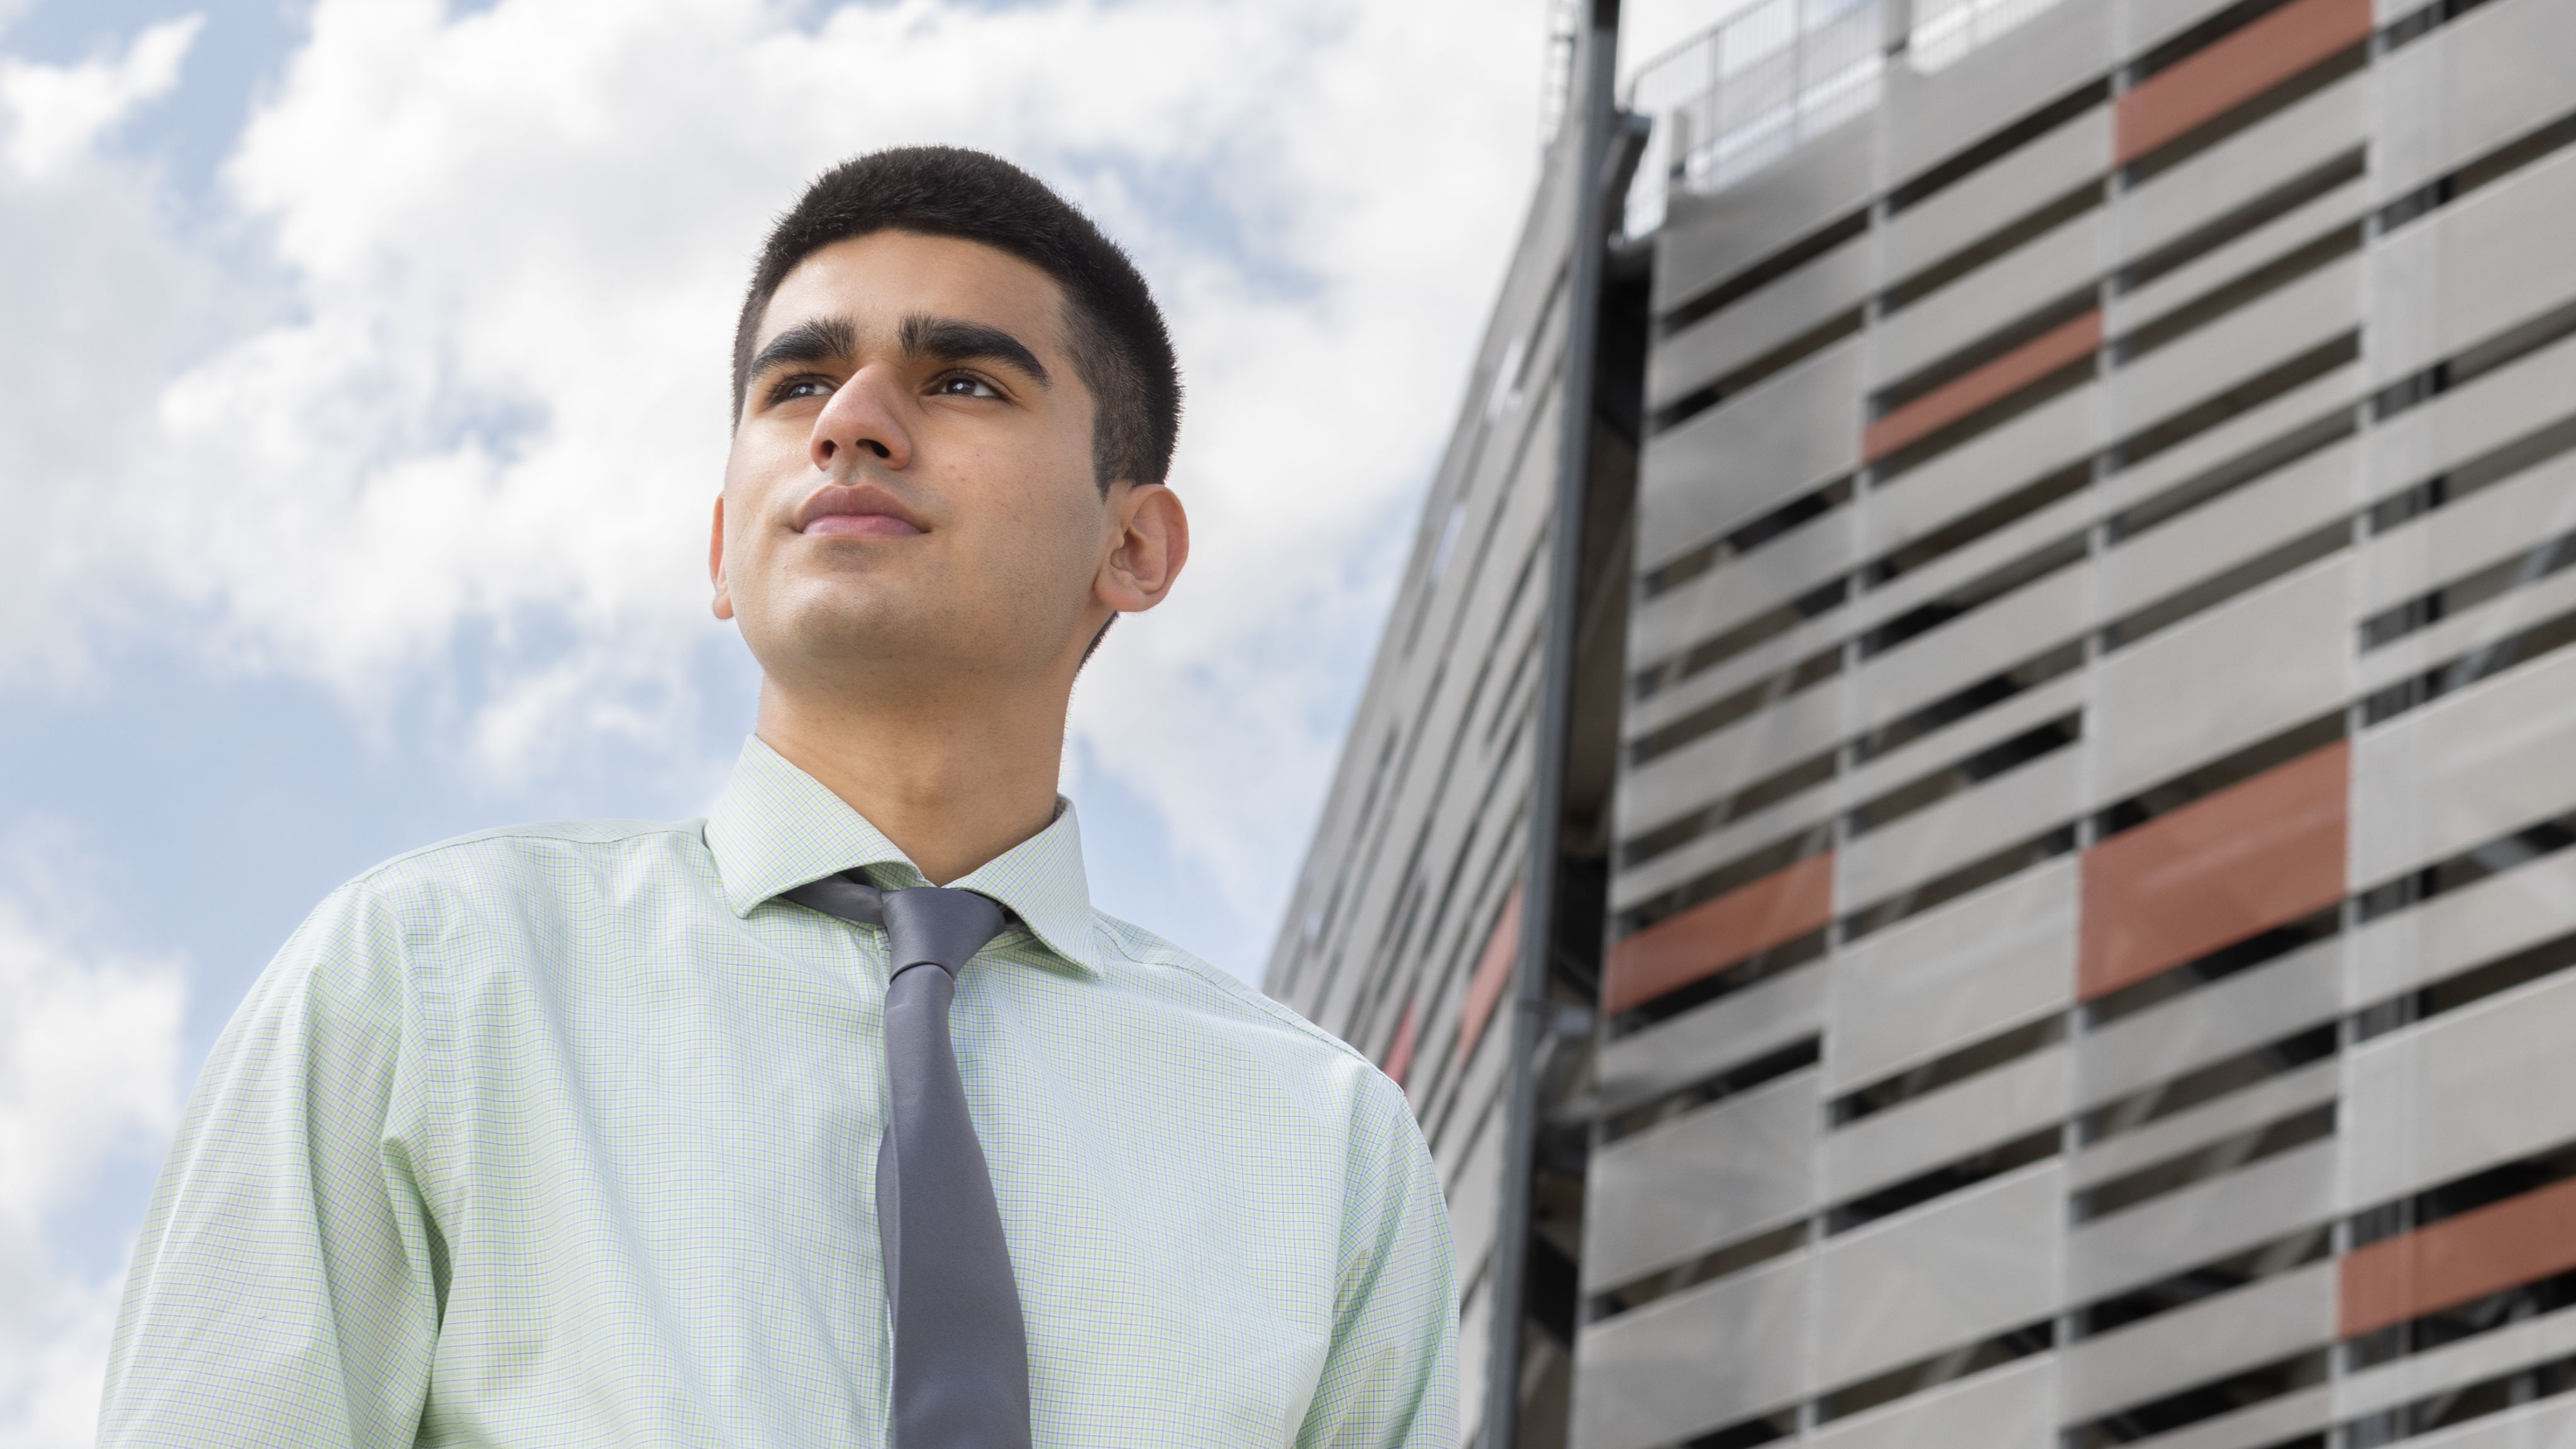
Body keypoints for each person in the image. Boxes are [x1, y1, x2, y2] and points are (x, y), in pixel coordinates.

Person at [98, 146, 1456, 1448]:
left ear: (1134, 544)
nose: (852, 425)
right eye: (796, 386)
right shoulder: (428, 981)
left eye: (964, 383)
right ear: (719, 547)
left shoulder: (1323, 1144)